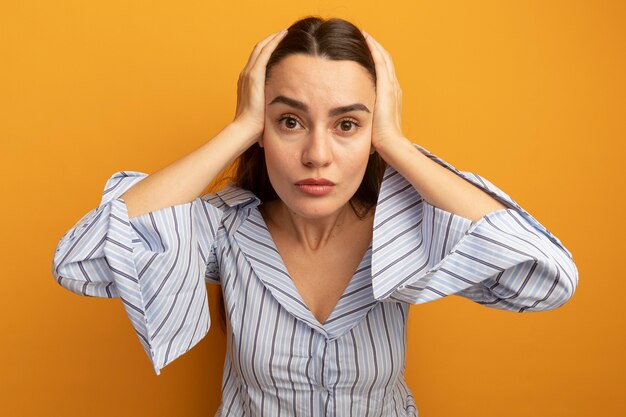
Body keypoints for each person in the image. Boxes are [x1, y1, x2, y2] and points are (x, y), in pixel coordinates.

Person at [52, 16, 578, 417]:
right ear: (264, 128)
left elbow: (548, 279)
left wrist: (394, 140)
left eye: (347, 124)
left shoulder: (410, 232)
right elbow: (80, 260)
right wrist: (239, 128)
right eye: (289, 121)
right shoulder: (222, 229)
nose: (317, 155)